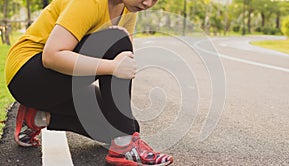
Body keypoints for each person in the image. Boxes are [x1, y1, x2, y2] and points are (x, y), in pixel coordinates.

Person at [5, 0, 174, 165]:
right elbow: (51, 56)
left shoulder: (129, 9)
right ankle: (125, 147)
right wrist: (112, 67)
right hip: (27, 76)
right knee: (116, 38)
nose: (148, 3)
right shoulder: (88, 2)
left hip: (60, 82)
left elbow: (123, 64)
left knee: (121, 126)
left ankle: (39, 117)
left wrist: (116, 69)